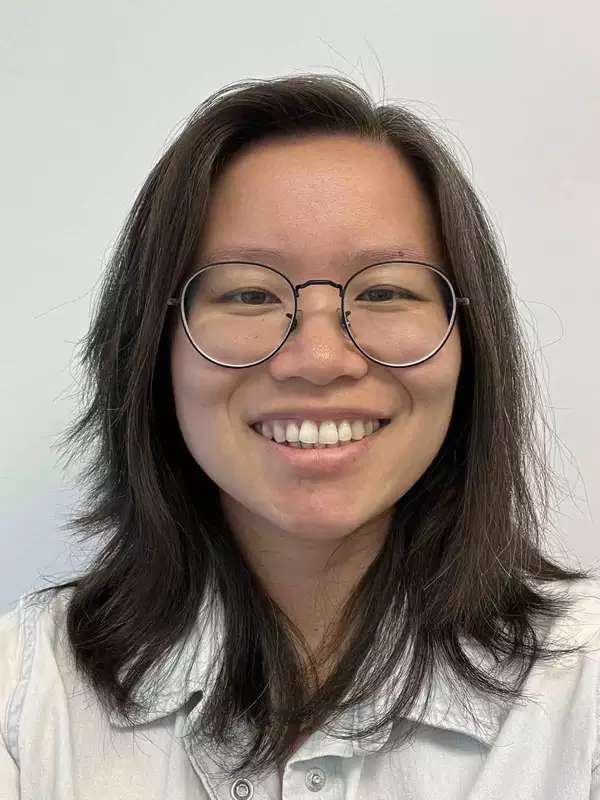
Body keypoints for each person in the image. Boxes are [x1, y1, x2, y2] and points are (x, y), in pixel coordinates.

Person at [1, 73, 599, 800]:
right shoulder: (23, 698)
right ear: (154, 349)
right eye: (249, 293)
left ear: (469, 343)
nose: (319, 359)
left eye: (384, 291)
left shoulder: (584, 690)